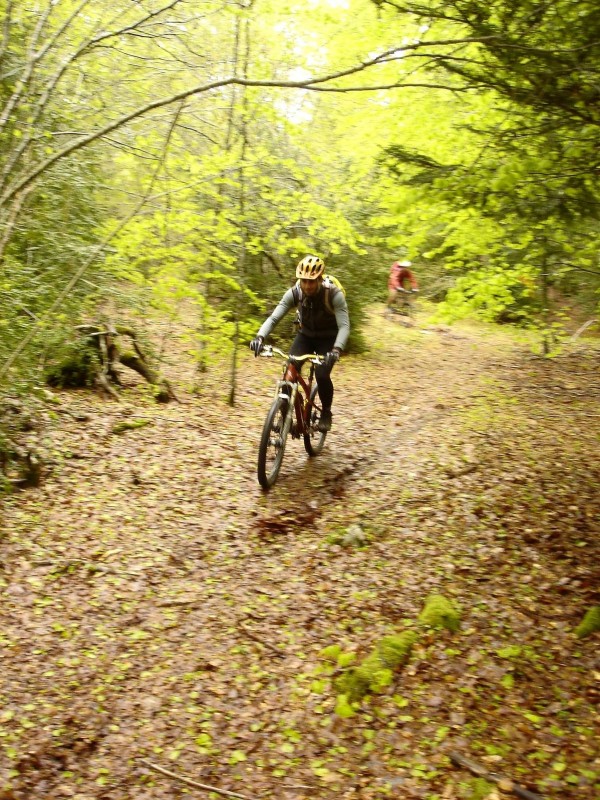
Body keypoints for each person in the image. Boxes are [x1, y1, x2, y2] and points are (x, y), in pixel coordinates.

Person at [250, 255, 350, 432]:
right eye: (304, 281)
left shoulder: (333, 294)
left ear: (319, 279)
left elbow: (344, 326)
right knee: (290, 369)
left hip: (329, 338)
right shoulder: (295, 293)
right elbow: (274, 318)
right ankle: (283, 414)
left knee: (321, 374)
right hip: (306, 335)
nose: (307, 285)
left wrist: (336, 349)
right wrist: (260, 337)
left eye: (311, 281)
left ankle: (326, 412)